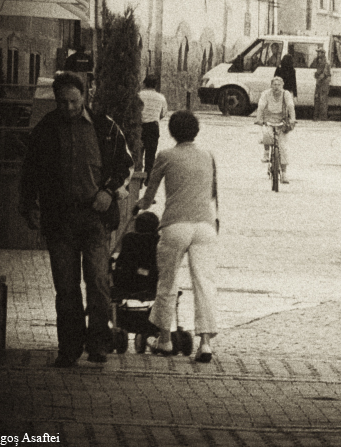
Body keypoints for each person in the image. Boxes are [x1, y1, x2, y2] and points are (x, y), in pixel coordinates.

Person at [19, 72, 134, 368]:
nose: (68, 107)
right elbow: (30, 171)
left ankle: (98, 344)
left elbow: (125, 165)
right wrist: (29, 206)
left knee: (97, 282)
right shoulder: (45, 129)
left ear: (84, 96)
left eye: (73, 101)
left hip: (95, 217)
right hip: (59, 219)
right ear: (56, 100)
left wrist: (108, 191)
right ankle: (69, 348)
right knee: (66, 286)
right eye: (63, 102)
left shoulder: (105, 127)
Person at [137, 111, 219, 363]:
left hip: (175, 225)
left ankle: (164, 339)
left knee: (168, 281)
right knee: (204, 283)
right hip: (204, 226)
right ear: (196, 130)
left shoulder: (165, 156)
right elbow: (212, 193)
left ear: (172, 132)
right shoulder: (208, 155)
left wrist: (140, 204)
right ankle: (205, 343)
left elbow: (149, 196)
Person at [255, 76, 296, 183]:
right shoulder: (266, 94)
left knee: (283, 148)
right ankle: (266, 152)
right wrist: (259, 119)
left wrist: (293, 119)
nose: (276, 87)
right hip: (268, 120)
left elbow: (290, 106)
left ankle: (284, 174)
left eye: (278, 85)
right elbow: (261, 106)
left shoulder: (286, 94)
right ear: (271, 85)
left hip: (282, 122)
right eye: (274, 84)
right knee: (266, 133)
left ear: (282, 85)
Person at [138, 74, 168, 179]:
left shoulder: (139, 95)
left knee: (138, 153)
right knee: (150, 155)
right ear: (155, 85)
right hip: (153, 127)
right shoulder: (161, 98)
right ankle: (148, 178)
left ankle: (138, 177)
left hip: (140, 127)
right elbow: (163, 114)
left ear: (144, 83)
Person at [310, 46, 331, 121]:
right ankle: (317, 116)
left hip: (323, 82)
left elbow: (324, 74)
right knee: (317, 99)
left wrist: (318, 79)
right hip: (319, 82)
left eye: (319, 52)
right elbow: (312, 66)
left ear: (323, 53)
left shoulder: (325, 62)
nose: (318, 54)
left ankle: (323, 117)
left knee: (323, 100)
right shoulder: (318, 61)